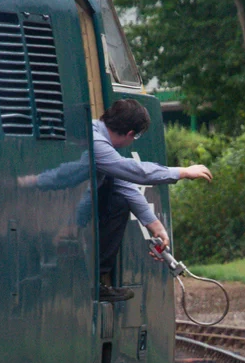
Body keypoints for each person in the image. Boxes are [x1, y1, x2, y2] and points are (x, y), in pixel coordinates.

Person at [89, 100, 211, 301]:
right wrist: (183, 172)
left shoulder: (96, 135)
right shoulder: (95, 142)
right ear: (130, 134)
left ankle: (97, 279)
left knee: (119, 197)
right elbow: (134, 172)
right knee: (118, 203)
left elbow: (124, 183)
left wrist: (156, 227)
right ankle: (95, 280)